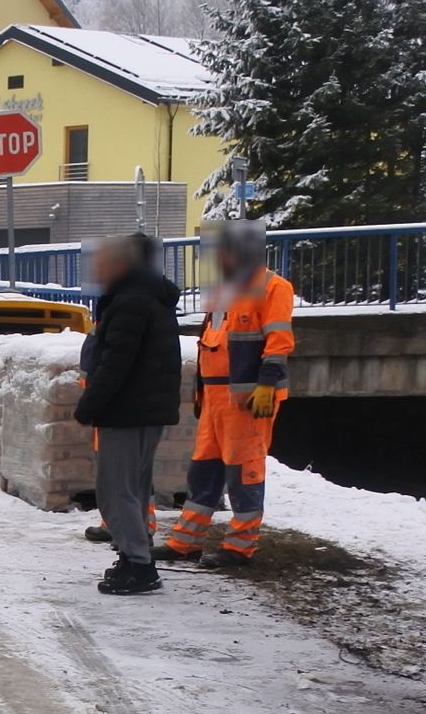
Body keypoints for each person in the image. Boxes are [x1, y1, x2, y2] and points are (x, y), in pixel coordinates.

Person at [162, 219, 293, 567]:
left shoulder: (273, 287)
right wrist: (201, 393)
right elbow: (210, 344)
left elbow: (279, 342)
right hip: (216, 398)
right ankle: (185, 541)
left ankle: (240, 547)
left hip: (246, 398)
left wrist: (266, 384)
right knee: (203, 470)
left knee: (243, 471)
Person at [72, 233, 184, 595]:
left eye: (106, 261)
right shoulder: (150, 296)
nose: (99, 268)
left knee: (115, 491)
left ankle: (139, 566)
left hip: (127, 411)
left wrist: (89, 405)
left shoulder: (130, 301)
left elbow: (116, 362)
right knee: (133, 488)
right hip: (144, 410)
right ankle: (134, 556)